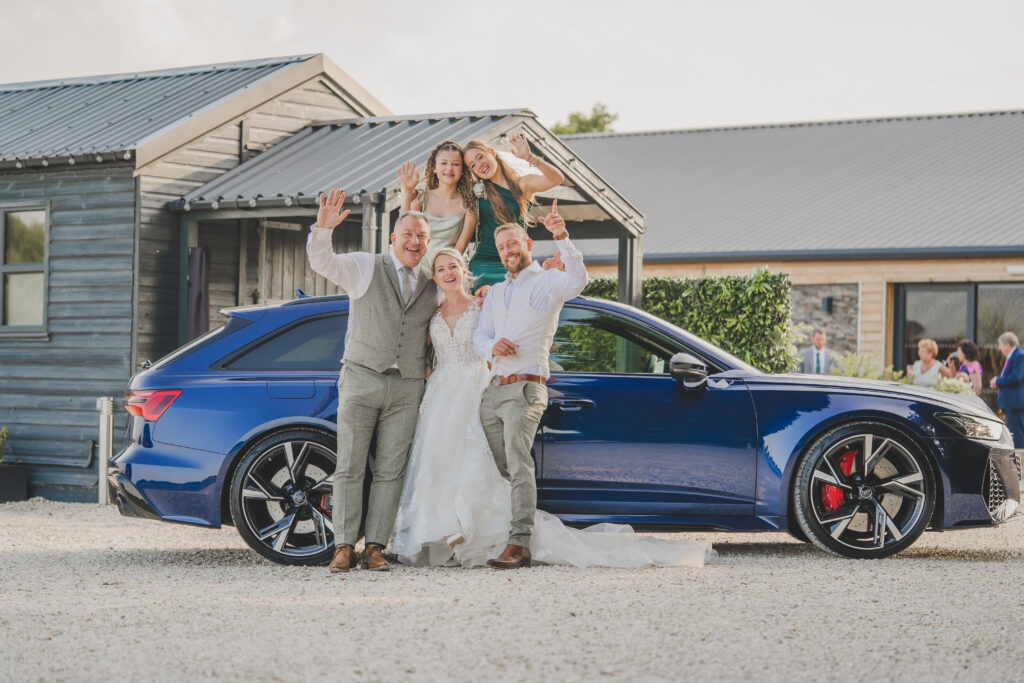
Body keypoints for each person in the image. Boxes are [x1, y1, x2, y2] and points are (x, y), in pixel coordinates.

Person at [392, 209, 713, 569]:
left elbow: (578, 279)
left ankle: (519, 544)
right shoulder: (495, 294)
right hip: (491, 391)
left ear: (527, 244)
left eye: (513, 243)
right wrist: (491, 347)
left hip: (525, 390)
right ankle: (486, 533)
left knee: (517, 466)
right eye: (501, 246)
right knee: (494, 470)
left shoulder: (548, 282)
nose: (508, 250)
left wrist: (562, 235)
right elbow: (481, 336)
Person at [306, 189, 437, 574]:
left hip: (407, 386)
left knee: (391, 470)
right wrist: (322, 229)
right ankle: (343, 545)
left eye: (422, 237)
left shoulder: (431, 283)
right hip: (361, 378)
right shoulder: (365, 266)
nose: (415, 242)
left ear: (428, 244)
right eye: (409, 234)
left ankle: (376, 547)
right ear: (394, 237)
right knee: (348, 466)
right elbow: (322, 261)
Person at [463, 133, 564, 288]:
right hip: (484, 263)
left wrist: (529, 157)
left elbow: (556, 179)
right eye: (472, 165)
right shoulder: (476, 190)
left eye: (480, 157)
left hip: (517, 260)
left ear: (492, 152)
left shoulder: (522, 184)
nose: (479, 165)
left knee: (523, 287)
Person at [396, 140, 478, 268]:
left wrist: (442, 270)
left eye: (456, 164)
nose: (449, 168)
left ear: (462, 170)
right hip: (418, 266)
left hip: (450, 268)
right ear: (434, 167)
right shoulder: (421, 199)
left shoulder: (469, 206)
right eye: (444, 163)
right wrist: (407, 192)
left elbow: (460, 247)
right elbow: (404, 229)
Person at [990, 332, 1024, 447]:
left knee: (1017, 434)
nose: (999, 349)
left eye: (1000, 345)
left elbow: (1016, 377)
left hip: (1015, 403)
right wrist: (998, 381)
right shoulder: (1014, 356)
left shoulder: (1019, 355)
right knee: (1014, 433)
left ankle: (1020, 461)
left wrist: (998, 381)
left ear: (1007, 344)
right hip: (1011, 403)